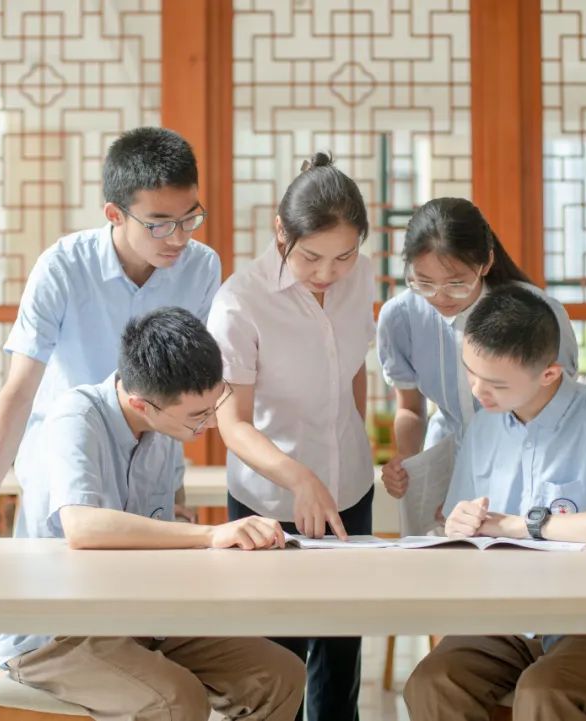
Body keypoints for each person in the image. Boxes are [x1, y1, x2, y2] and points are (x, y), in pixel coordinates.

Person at [0, 307, 305, 721]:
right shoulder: (76, 417)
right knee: (176, 701)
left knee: (280, 674)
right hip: (58, 634)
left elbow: (164, 523)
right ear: (142, 405)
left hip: (141, 618)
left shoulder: (165, 427)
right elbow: (83, 527)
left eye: (215, 406)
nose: (211, 424)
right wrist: (211, 535)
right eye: (198, 416)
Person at [0, 127, 220, 539]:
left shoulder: (201, 267)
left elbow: (180, 384)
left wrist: (175, 490)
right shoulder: (63, 268)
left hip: (152, 461)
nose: (178, 237)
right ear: (115, 214)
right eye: (159, 223)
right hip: (67, 462)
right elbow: (20, 388)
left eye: (189, 218)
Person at [404, 285, 586, 721]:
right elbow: (461, 524)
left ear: (550, 373)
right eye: (471, 372)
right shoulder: (484, 426)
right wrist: (460, 525)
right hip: (511, 620)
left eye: (497, 383)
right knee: (432, 683)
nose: (479, 391)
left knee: (544, 692)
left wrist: (525, 526)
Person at [208, 152, 375, 721]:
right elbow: (232, 423)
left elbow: (353, 369)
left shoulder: (363, 278)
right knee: (275, 661)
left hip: (350, 487)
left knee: (340, 649)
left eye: (343, 256)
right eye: (310, 257)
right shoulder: (239, 302)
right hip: (269, 499)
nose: (328, 272)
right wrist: (299, 476)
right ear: (281, 232)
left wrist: (358, 453)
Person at [377, 197, 578, 502]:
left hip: (527, 461)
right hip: (445, 461)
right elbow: (409, 407)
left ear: (486, 263)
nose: (440, 298)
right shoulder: (401, 317)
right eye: (424, 283)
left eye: (456, 283)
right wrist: (406, 459)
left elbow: (558, 407)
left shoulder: (535, 313)